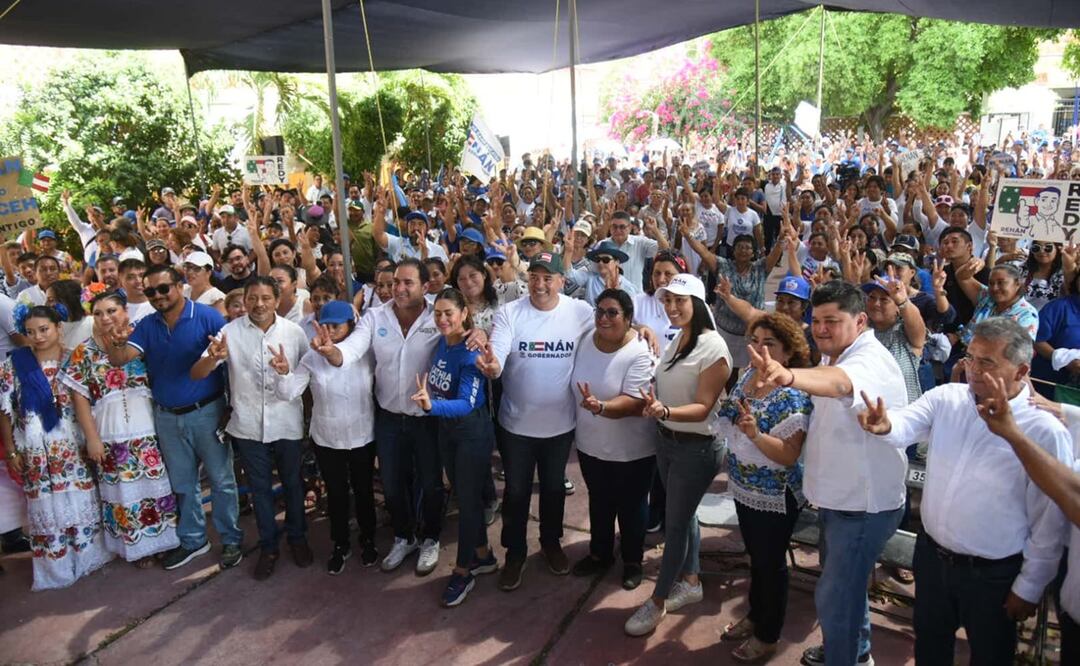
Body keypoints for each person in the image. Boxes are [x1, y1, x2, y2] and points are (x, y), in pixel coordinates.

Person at [857, 317, 1071, 664]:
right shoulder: (947, 398)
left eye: (987, 362)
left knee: (989, 655)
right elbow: (906, 424)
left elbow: (1049, 520)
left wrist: (1030, 585)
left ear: (1020, 371)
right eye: (970, 357)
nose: (973, 369)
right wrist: (885, 425)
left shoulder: (1044, 431)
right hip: (932, 558)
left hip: (994, 576)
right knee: (930, 647)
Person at [746, 280, 907, 666]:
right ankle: (855, 651)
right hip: (838, 501)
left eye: (832, 321)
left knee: (834, 595)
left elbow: (839, 385)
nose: (820, 329)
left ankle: (844, 657)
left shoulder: (867, 359)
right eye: (816, 320)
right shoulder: (833, 354)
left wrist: (787, 376)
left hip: (862, 508)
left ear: (861, 321)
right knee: (847, 590)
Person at [320, 258, 456, 576]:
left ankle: (431, 538)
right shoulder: (374, 316)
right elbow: (352, 348)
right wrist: (334, 353)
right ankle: (403, 536)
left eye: (408, 282)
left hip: (427, 417)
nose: (399, 288)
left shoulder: (438, 314)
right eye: (396, 281)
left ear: (425, 286)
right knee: (392, 485)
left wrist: (474, 334)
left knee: (431, 483)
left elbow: (462, 331)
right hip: (390, 418)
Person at [103, 265, 243, 571]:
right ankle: (194, 540)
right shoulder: (147, 324)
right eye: (151, 291)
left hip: (207, 412)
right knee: (183, 483)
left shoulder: (207, 316)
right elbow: (120, 360)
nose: (157, 296)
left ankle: (231, 539)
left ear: (179, 285)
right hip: (166, 416)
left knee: (222, 480)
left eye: (164, 288)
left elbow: (229, 362)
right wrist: (114, 340)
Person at [476, 251, 595, 591]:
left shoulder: (580, 312)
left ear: (561, 281)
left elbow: (611, 328)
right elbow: (497, 350)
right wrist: (493, 366)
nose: (540, 285)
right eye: (534, 277)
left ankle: (551, 542)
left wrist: (641, 328)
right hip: (516, 426)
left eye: (548, 278)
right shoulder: (510, 312)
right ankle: (515, 553)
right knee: (515, 492)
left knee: (555, 488)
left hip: (560, 425)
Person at [624, 274, 731, 636]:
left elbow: (703, 407)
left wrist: (664, 411)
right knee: (684, 517)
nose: (671, 307)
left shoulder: (713, 348)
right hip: (668, 442)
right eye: (667, 301)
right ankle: (691, 580)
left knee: (675, 523)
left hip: (695, 448)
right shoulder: (680, 338)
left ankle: (657, 602)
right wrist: (657, 404)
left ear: (698, 304)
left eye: (679, 301)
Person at [191, 276, 311, 580]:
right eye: (253, 298)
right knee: (260, 490)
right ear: (244, 300)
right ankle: (269, 547)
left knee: (293, 485)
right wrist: (213, 359)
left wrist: (288, 375)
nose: (259, 304)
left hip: (287, 422)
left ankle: (297, 538)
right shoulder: (229, 332)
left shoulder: (294, 333)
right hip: (247, 425)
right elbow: (197, 371)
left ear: (276, 299)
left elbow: (306, 376)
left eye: (266, 298)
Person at [716, 314, 813, 662]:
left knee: (771, 565)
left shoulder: (793, 396)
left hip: (775, 494)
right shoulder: (746, 379)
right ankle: (756, 616)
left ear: (787, 354)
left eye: (769, 343)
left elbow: (789, 455)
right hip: (745, 487)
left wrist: (755, 434)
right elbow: (731, 419)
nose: (759, 349)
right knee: (756, 559)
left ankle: (768, 634)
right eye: (755, 341)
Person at [61, 291, 179, 566]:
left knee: (158, 489)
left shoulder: (142, 340)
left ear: (125, 311)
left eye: (112, 311)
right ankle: (136, 549)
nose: (105, 318)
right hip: (111, 434)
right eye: (99, 313)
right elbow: (80, 398)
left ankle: (164, 542)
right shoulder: (84, 351)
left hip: (149, 428)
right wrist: (92, 439)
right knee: (123, 496)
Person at [1, 306, 113, 589]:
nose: (37, 337)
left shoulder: (74, 358)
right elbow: (4, 411)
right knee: (46, 506)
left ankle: (88, 559)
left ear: (57, 328)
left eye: (43, 329)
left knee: (79, 501)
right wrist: (12, 450)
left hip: (71, 447)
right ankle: (57, 568)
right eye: (30, 332)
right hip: (37, 451)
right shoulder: (15, 364)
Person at [270, 300, 378, 574]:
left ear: (351, 326)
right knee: (337, 493)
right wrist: (283, 374)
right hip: (327, 438)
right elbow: (290, 393)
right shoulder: (312, 357)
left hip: (362, 435)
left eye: (337, 326)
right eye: (326, 326)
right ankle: (340, 543)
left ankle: (369, 539)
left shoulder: (365, 353)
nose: (330, 332)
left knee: (364, 491)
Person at [408, 287, 497, 606]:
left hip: (471, 434)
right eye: (438, 313)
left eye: (449, 313)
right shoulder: (441, 345)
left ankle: (463, 571)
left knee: (469, 504)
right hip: (447, 433)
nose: (443, 319)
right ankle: (484, 556)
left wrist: (432, 407)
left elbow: (466, 403)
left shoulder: (470, 353)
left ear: (464, 315)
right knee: (465, 495)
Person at [569, 289, 655, 590]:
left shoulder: (640, 351)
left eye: (612, 313)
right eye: (600, 311)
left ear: (629, 318)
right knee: (599, 501)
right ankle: (599, 554)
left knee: (632, 507)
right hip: (591, 445)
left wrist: (601, 407)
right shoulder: (584, 340)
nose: (604, 318)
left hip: (633, 451)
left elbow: (634, 402)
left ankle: (632, 560)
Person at [954, 262, 1038, 346]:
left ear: (1017, 284)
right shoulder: (986, 297)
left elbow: (1019, 350)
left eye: (1001, 282)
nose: (995, 288)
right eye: (991, 283)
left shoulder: (1027, 314)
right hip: (963, 350)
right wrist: (974, 263)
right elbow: (962, 277)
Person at [563, 239, 641, 305]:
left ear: (617, 262)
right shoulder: (590, 278)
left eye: (605, 260)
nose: (600, 263)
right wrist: (568, 252)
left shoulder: (628, 287)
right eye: (598, 260)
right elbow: (569, 274)